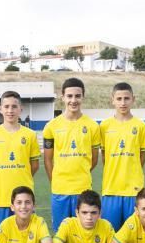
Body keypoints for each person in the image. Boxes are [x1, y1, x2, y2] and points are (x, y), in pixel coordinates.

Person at [42, 77, 101, 231]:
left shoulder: (93, 126)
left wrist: (81, 172)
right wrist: (55, 181)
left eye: (77, 96)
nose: (73, 100)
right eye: (69, 96)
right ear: (62, 97)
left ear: (83, 97)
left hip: (82, 189)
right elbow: (47, 160)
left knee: (82, 232)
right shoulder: (51, 126)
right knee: (60, 232)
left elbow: (94, 159)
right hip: (60, 189)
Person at [0, 91, 40, 232]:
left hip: (24, 200)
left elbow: (35, 165)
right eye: (6, 106)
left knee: (26, 239)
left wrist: (21, 175)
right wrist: (0, 175)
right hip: (0, 197)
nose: (10, 110)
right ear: (0, 108)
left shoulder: (30, 135)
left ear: (21, 109)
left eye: (14, 106)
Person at [99, 82, 145, 231]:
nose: (123, 102)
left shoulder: (140, 126)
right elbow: (104, 156)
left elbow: (141, 157)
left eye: (126, 98)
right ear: (112, 99)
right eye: (119, 98)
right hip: (111, 189)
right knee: (111, 234)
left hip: (133, 190)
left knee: (134, 234)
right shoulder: (104, 126)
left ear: (133, 99)